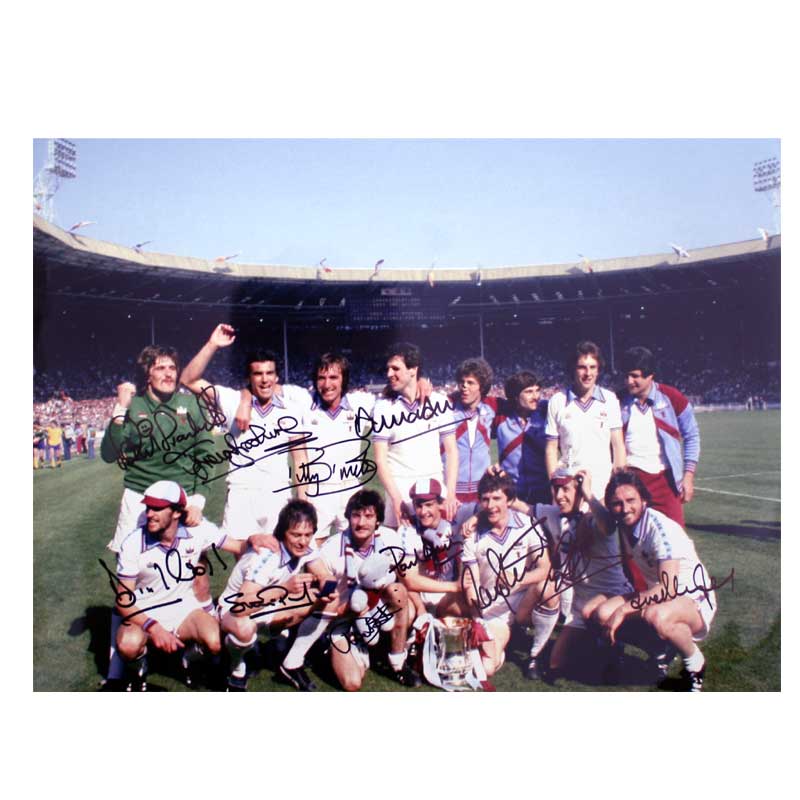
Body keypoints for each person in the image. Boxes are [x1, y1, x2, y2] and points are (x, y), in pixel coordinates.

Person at [100, 343, 216, 684]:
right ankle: (121, 664)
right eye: (161, 368)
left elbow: (205, 452)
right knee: (128, 577)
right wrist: (119, 408)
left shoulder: (189, 404)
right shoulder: (133, 404)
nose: (168, 374)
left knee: (197, 567)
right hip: (139, 498)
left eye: (172, 368)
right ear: (147, 372)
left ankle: (191, 651)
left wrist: (198, 501)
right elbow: (110, 453)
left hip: (181, 501)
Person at [113, 480, 269, 691]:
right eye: (148, 507)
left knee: (215, 642)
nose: (149, 513)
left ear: (177, 513)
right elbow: (123, 600)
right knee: (128, 644)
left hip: (183, 607)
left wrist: (253, 539)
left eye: (157, 508)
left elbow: (235, 545)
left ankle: (190, 658)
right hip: (144, 610)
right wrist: (154, 627)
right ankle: (139, 669)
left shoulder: (198, 530)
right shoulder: (133, 543)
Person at [278, 489, 421, 691]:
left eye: (369, 516)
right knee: (352, 683)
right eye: (356, 515)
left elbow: (406, 581)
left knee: (399, 594)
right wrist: (351, 609)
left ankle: (397, 662)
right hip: (342, 618)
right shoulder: (330, 550)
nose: (361, 522)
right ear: (348, 518)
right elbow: (323, 606)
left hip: (375, 608)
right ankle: (329, 647)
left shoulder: (390, 539)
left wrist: (417, 609)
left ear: (378, 520)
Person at [587, 470, 717, 691]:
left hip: (692, 598)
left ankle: (694, 664)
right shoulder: (624, 521)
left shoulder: (659, 529)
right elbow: (605, 517)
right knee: (602, 614)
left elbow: (668, 588)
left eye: (631, 500)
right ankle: (661, 650)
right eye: (617, 503)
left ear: (644, 500)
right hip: (660, 595)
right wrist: (587, 493)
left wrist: (623, 610)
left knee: (654, 615)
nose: (625, 508)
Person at [179, 323, 309, 543]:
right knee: (243, 563)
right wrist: (213, 344)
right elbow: (188, 379)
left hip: (278, 494)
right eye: (258, 374)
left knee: (280, 564)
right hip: (241, 492)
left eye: (269, 373)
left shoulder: (292, 408)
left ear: (277, 376)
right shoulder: (232, 400)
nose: (265, 379)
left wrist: (303, 500)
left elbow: (300, 458)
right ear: (249, 377)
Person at [216, 499, 336, 691]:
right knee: (244, 628)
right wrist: (285, 588)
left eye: (307, 534)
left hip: (268, 606)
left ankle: (292, 663)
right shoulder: (266, 556)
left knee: (329, 601)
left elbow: (324, 573)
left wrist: (326, 584)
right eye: (296, 535)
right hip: (232, 611)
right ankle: (237, 669)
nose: (303, 541)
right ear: (282, 532)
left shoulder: (305, 543)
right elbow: (241, 605)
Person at [458, 472, 553, 678]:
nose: (491, 505)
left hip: (523, 605)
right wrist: (478, 620)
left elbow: (545, 568)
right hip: (493, 612)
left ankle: (537, 652)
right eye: (485, 499)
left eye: (497, 498)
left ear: (509, 500)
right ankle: (502, 642)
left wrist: (518, 579)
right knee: (485, 668)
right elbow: (470, 584)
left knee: (550, 588)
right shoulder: (472, 535)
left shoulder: (527, 524)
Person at [372, 342, 458, 528]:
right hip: (400, 491)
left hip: (435, 488)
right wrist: (396, 499)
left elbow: (451, 452)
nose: (389, 374)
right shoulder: (383, 407)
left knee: (440, 549)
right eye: (388, 369)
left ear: (413, 370)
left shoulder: (439, 402)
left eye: (396, 368)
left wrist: (450, 493)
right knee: (404, 553)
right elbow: (380, 460)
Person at [620, 346, 700, 525]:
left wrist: (688, 476)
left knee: (675, 545)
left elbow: (692, 436)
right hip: (631, 483)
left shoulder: (672, 397)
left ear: (650, 375)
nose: (628, 381)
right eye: (626, 376)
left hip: (666, 482)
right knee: (632, 547)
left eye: (635, 376)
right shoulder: (617, 402)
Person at [545, 341, 625, 498]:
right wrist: (554, 486)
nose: (588, 373)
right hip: (568, 485)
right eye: (582, 367)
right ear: (573, 370)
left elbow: (618, 446)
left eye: (593, 367)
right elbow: (551, 449)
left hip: (602, 486)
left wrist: (619, 483)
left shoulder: (609, 399)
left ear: (598, 369)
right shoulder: (557, 401)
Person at [395, 478, 466, 619]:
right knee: (404, 615)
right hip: (420, 597)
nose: (423, 511)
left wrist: (474, 520)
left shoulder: (452, 523)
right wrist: (455, 587)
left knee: (470, 610)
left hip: (448, 597)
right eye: (419, 506)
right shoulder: (408, 530)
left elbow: (485, 508)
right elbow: (409, 580)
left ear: (440, 504)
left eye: (429, 505)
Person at [494, 370, 550, 506]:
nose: (536, 396)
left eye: (537, 390)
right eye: (529, 391)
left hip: (543, 492)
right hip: (511, 494)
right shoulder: (500, 416)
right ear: (515, 396)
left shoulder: (546, 413)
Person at [446, 358, 498, 503]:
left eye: (470, 383)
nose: (464, 386)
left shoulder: (492, 407)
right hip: (451, 492)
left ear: (481, 387)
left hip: (482, 491)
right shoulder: (446, 407)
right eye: (462, 382)